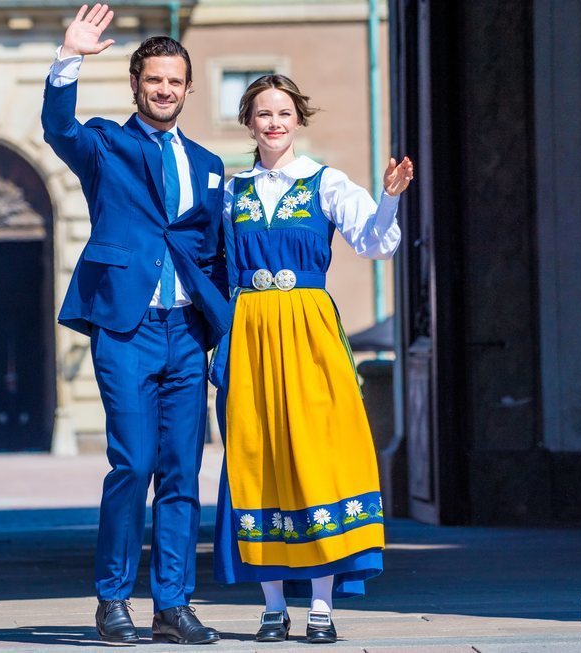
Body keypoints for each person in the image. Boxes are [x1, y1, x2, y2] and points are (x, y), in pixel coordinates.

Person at [41, 4, 229, 645]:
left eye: (175, 81)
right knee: (134, 463)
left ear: (188, 87)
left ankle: (172, 604)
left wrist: (224, 322)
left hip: (186, 333)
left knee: (182, 469)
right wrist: (67, 58)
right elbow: (56, 127)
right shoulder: (104, 145)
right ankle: (113, 599)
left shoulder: (208, 163)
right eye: (154, 79)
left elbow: (211, 250)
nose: (165, 89)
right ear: (135, 84)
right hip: (128, 326)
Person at [211, 74, 413, 644]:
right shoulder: (230, 192)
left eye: (283, 114)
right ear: (248, 122)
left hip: (310, 332)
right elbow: (208, 263)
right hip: (250, 333)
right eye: (262, 114)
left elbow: (374, 242)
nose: (273, 123)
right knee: (258, 456)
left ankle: (321, 606)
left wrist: (391, 197)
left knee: (316, 458)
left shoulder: (326, 183)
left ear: (298, 119)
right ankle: (272, 604)